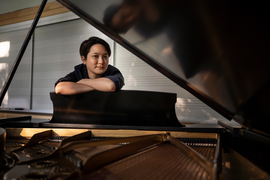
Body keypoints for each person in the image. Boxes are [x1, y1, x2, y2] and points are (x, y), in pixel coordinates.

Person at [54, 36, 124, 95]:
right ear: (84, 59)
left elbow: (110, 86)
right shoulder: (79, 71)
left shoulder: (113, 71)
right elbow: (59, 88)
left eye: (105, 56)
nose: (101, 61)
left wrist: (83, 82)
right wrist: (99, 86)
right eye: (95, 56)